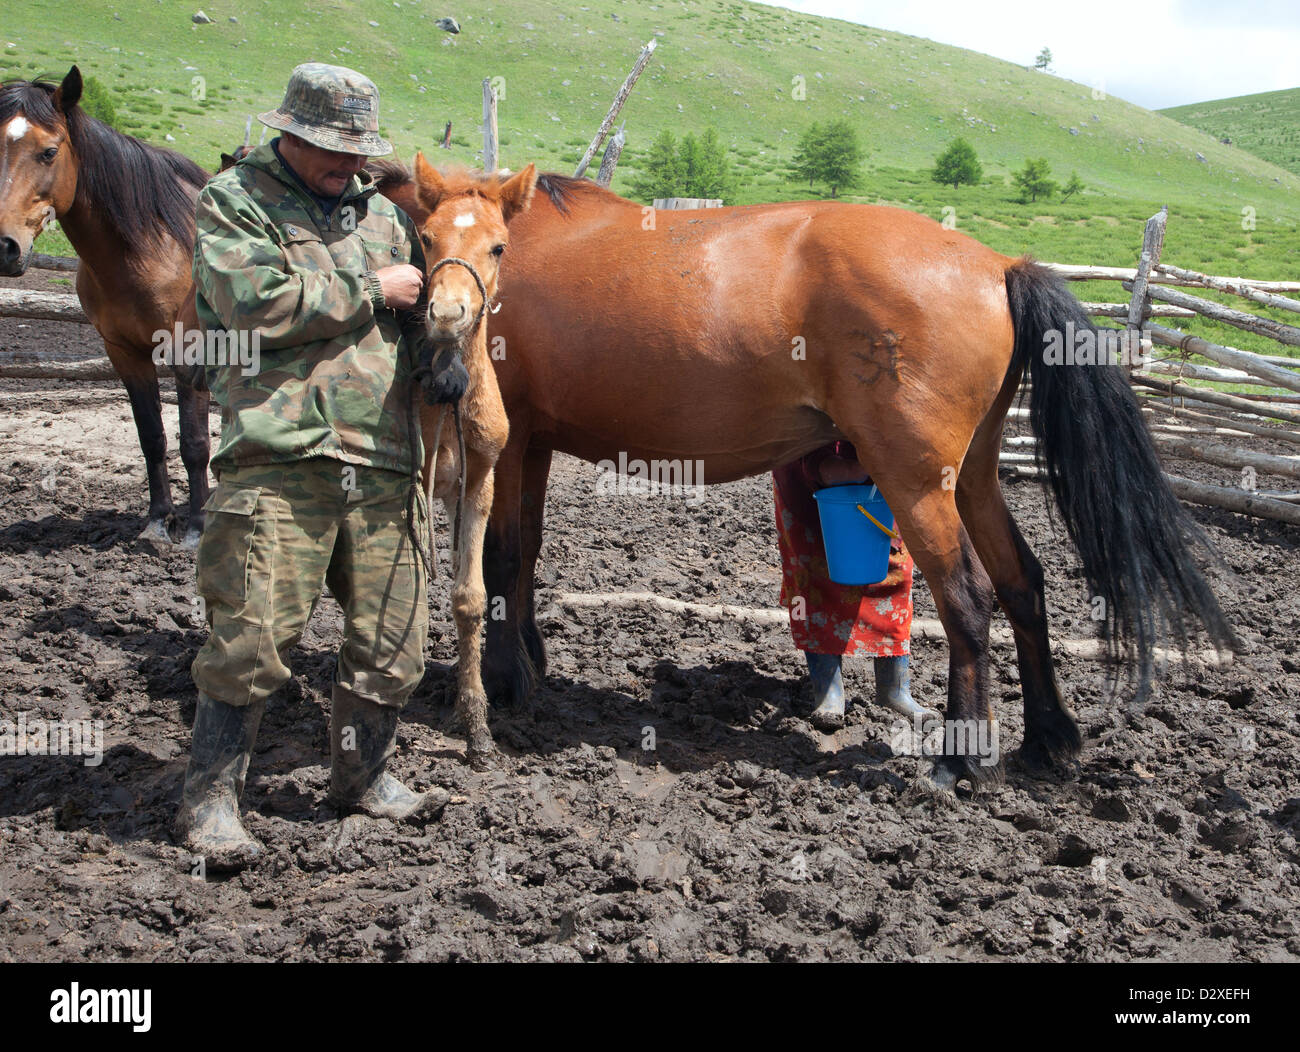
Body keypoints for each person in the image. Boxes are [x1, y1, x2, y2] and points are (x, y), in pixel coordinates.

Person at [176, 63, 467, 867]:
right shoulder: (235, 202)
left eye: (357, 151)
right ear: (291, 134)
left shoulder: (384, 217)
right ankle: (211, 802)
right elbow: (249, 305)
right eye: (331, 150)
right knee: (251, 641)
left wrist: (437, 352)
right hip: (282, 455)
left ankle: (362, 779)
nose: (348, 165)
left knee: (394, 643)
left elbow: (409, 314)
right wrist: (371, 287)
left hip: (382, 459)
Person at [774, 442, 932, 731]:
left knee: (893, 570)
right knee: (815, 571)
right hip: (806, 447)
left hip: (881, 456)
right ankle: (829, 691)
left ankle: (894, 690)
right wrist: (829, 467)